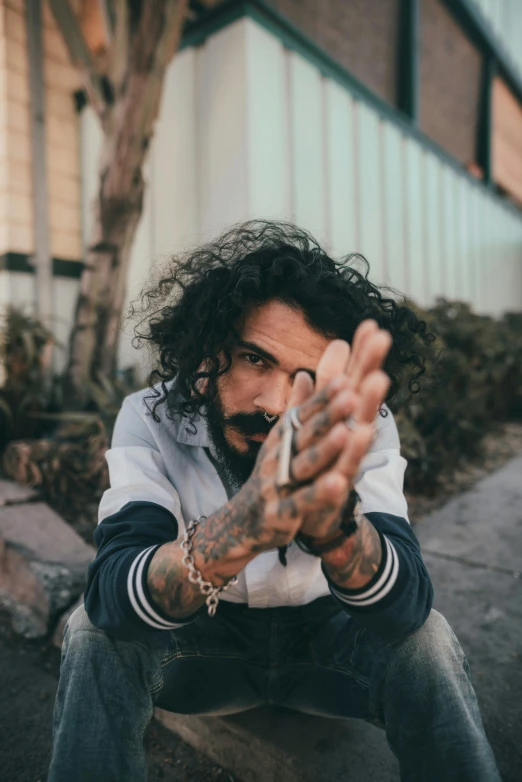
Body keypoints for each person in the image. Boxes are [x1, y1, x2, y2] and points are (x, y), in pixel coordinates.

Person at [48, 221, 501, 782]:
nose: (275, 403)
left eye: (306, 376)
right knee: (91, 634)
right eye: (254, 359)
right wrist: (244, 522)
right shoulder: (150, 416)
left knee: (428, 639)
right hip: (202, 651)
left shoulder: (357, 425)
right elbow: (113, 595)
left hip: (326, 649)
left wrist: (335, 530)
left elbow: (405, 603)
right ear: (210, 349)